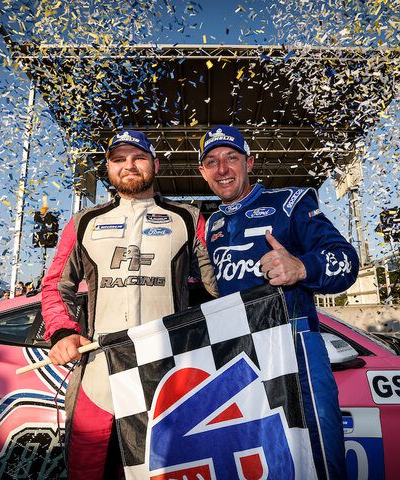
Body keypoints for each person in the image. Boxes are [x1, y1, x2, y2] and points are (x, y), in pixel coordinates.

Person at [41, 129, 217, 480]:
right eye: (119, 159)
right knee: (88, 471)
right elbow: (54, 285)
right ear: (108, 168)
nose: (129, 166)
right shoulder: (83, 222)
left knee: (165, 471)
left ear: (155, 163)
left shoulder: (189, 217)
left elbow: (218, 288)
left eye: (138, 157)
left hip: (170, 373)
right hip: (98, 372)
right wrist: (62, 332)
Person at [197, 125, 358, 480]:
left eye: (231, 158)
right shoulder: (211, 226)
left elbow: (346, 261)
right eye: (212, 161)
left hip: (294, 345)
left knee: (319, 459)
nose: (222, 169)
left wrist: (301, 267)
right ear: (202, 173)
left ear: (249, 163)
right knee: (253, 462)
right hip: (239, 357)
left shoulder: (291, 202)